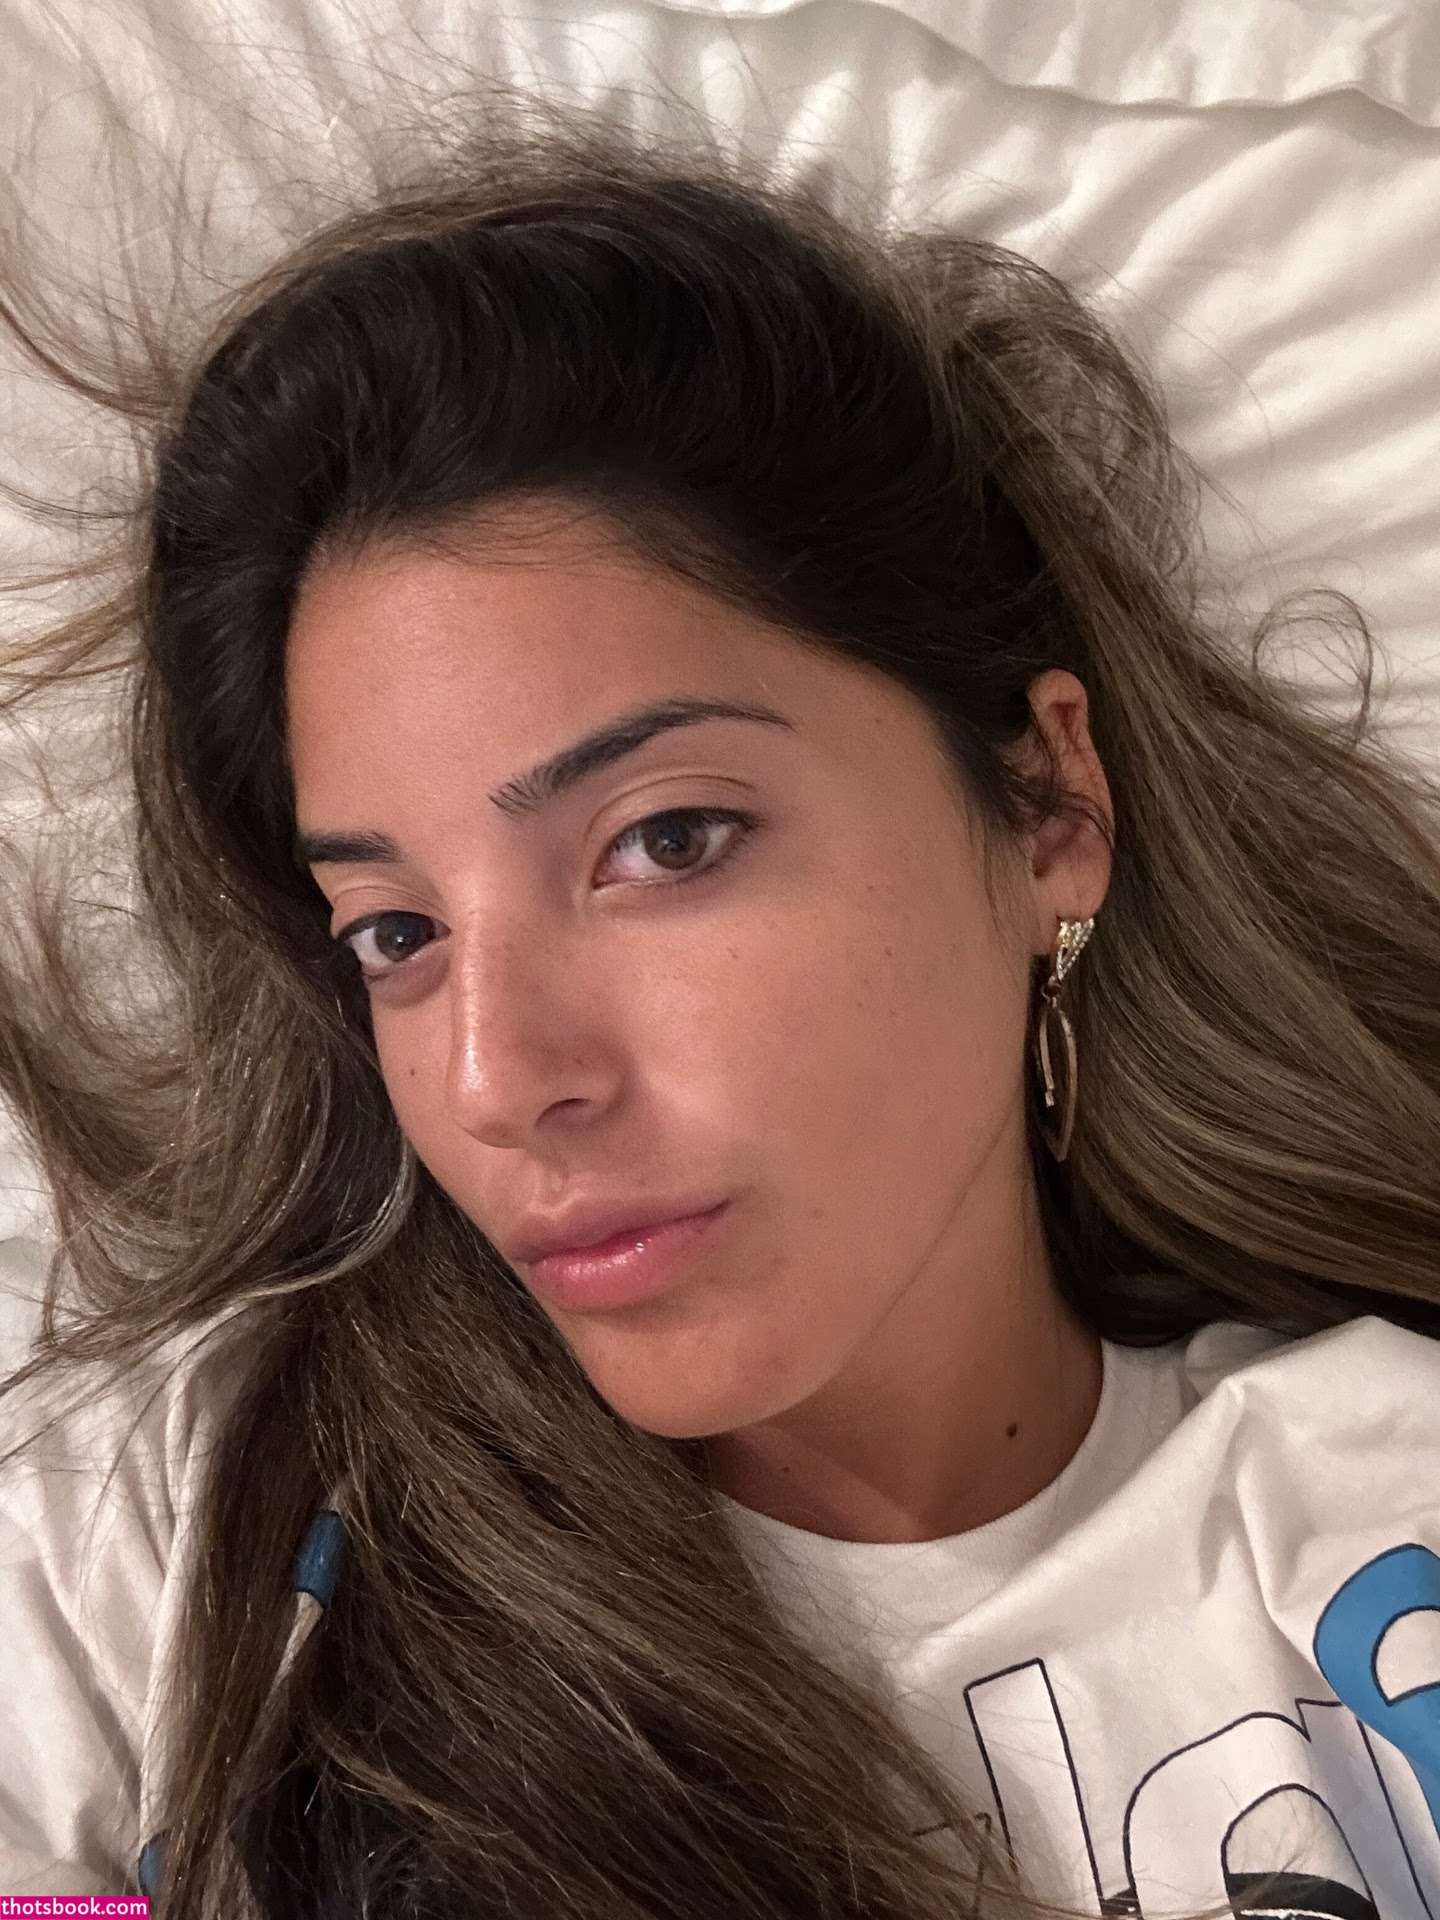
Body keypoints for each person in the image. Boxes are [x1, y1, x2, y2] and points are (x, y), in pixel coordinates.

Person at [1, 82, 1438, 1920]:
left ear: (1048, 807)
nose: (498, 1077)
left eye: (666, 841)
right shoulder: (170, 1558)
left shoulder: (1381, 1505)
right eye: (394, 933)